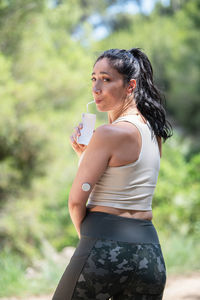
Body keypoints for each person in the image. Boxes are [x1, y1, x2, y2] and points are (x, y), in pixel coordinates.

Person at [52, 48, 173, 300]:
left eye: (106, 79)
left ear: (130, 86)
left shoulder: (108, 134)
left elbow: (76, 201)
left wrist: (89, 241)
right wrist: (84, 157)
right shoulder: (154, 133)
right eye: (93, 78)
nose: (96, 88)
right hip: (150, 256)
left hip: (103, 249)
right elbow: (124, 183)